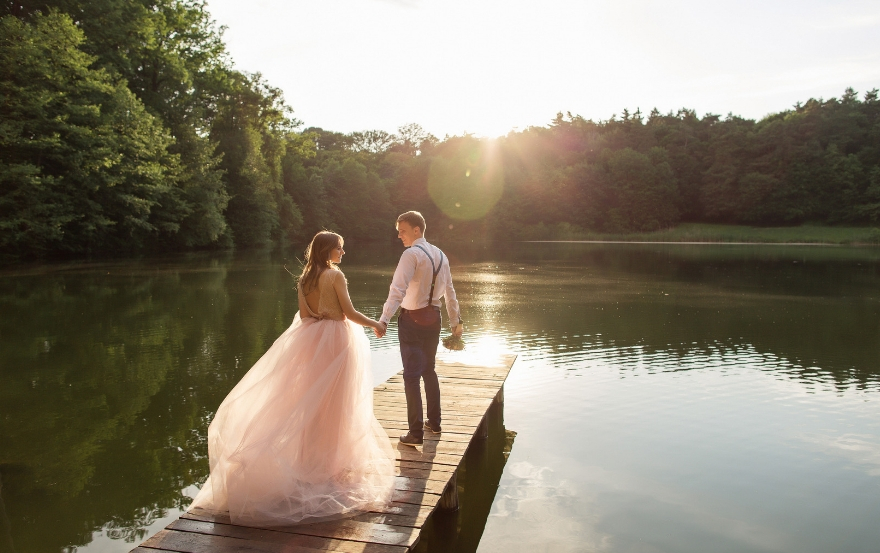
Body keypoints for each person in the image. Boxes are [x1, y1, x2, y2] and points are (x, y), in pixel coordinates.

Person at [188, 231, 394, 526]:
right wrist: (375, 323)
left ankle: (310, 463)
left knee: (310, 404)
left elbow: (305, 314)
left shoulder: (305, 279)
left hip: (311, 341)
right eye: (340, 248)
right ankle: (331, 468)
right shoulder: (334, 276)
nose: (343, 253)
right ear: (328, 251)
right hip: (336, 341)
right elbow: (347, 312)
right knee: (335, 405)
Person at [378, 211, 463, 446]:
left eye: (402, 231)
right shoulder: (441, 255)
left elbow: (397, 290)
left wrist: (384, 319)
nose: (399, 236)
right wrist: (456, 322)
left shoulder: (411, 254)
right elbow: (450, 293)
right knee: (429, 371)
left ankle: (415, 433)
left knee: (411, 376)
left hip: (412, 321)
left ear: (417, 230)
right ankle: (434, 423)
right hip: (434, 319)